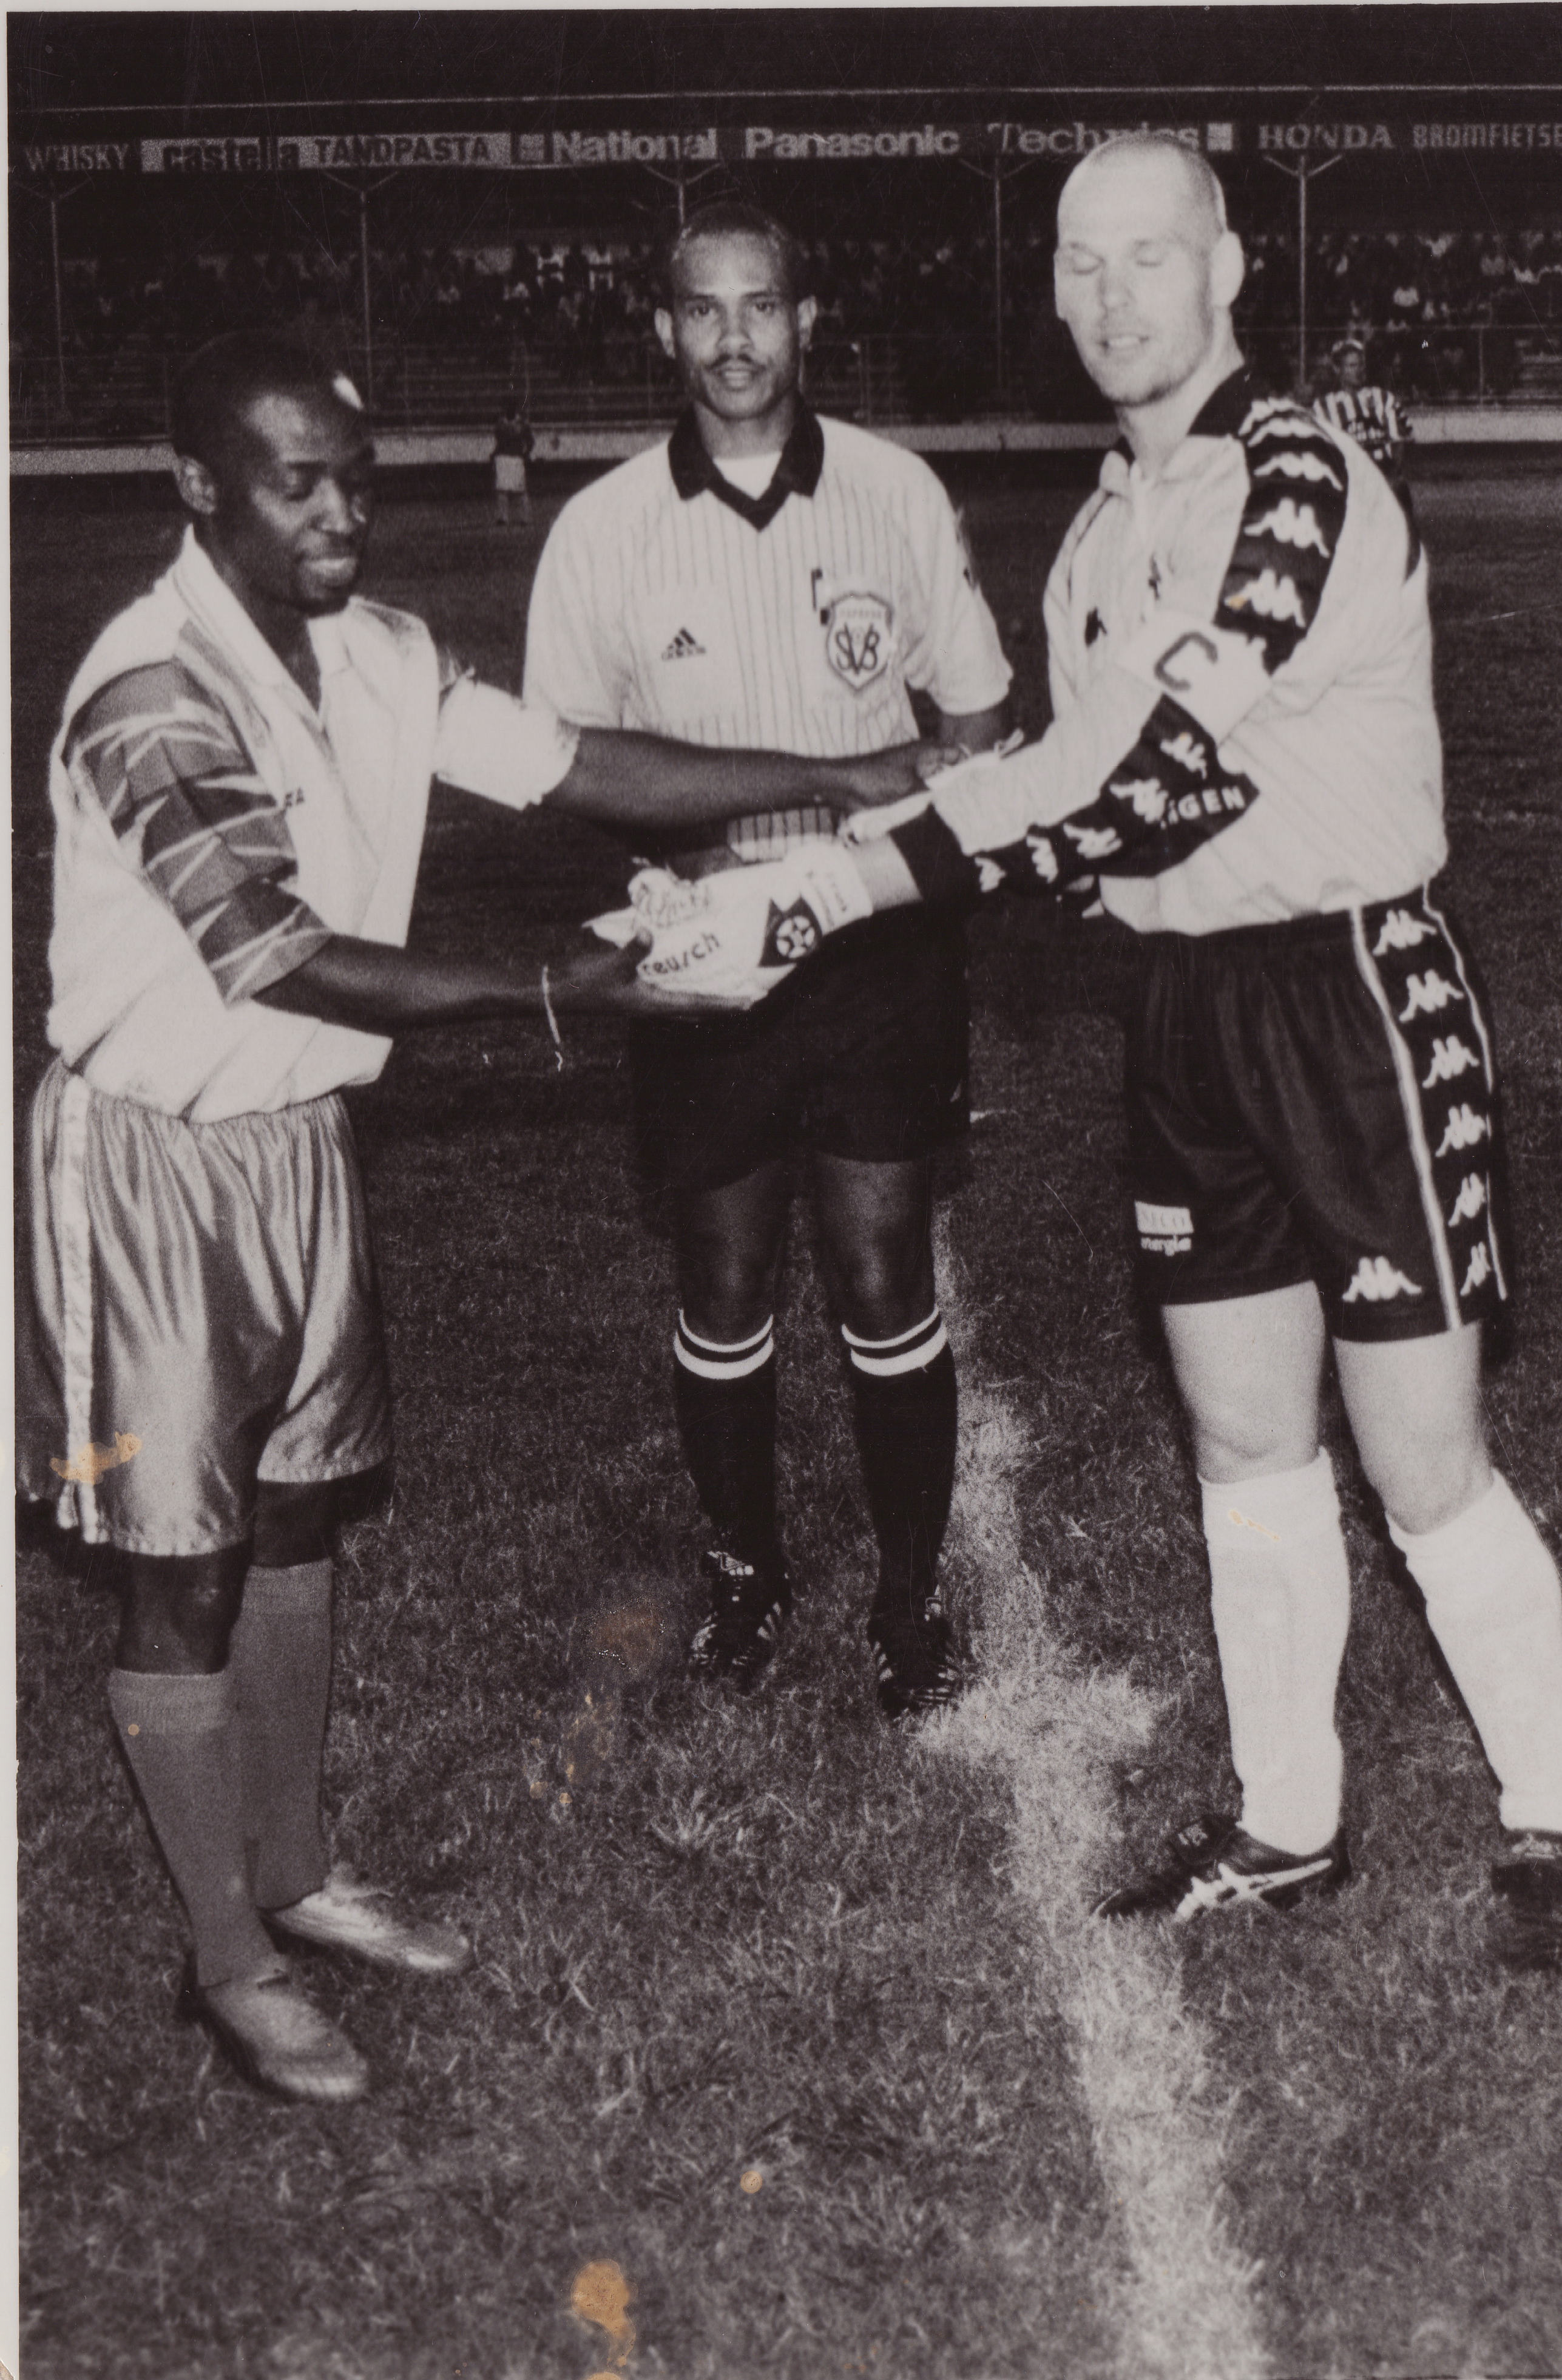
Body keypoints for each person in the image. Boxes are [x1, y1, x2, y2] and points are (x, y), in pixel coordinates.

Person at [624, 138, 1562, 1966]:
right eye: (1083, 262)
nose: (1116, 294)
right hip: (1185, 1012)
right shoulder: (1092, 535)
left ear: (1226, 269)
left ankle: (1555, 1803)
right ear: (1054, 291)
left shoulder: (1299, 474)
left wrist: (833, 885)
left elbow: (1154, 771)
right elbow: (1058, 786)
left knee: (1421, 1457)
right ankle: (1286, 1823)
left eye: (1151, 253)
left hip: (1350, 993)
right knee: (1243, 1434)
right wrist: (811, 869)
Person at [15, 331, 931, 2105]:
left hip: (299, 1139)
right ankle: (228, 1961)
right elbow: (275, 951)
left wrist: (826, 779)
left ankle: (293, 1870)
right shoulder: (149, 690)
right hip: (150, 1164)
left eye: (357, 478)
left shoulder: (378, 649)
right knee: (184, 1562)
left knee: (296, 1516)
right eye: (298, 482)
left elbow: (582, 765)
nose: (341, 513)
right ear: (197, 486)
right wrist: (558, 986)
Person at [523, 202, 1013, 1719]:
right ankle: (746, 1574)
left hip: (874, 941)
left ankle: (910, 1593)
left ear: (807, 321)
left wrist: (889, 843)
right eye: (702, 309)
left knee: (880, 1267)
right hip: (700, 951)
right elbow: (568, 763)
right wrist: (715, 849)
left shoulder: (894, 492)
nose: (732, 338)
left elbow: (979, 718)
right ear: (662, 329)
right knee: (724, 1273)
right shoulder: (600, 528)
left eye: (760, 306)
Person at [1313, 336, 1412, 490]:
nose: (1358, 370)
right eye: (1352, 365)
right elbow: (1322, 450)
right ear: (1338, 370)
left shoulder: (1384, 398)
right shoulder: (1324, 406)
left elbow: (1399, 440)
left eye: (1361, 365)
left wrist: (1395, 475)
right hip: (1348, 474)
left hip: (1382, 471)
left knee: (1402, 492)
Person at [492, 395, 535, 529]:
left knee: (520, 490)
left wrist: (526, 454)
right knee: (502, 489)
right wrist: (495, 455)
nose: (509, 409)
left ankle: (524, 518)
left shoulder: (522, 424)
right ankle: (502, 517)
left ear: (515, 408)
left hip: (516, 458)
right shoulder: (500, 424)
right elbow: (499, 441)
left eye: (511, 406)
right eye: (507, 406)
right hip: (503, 458)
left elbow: (531, 441)